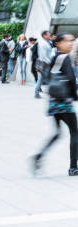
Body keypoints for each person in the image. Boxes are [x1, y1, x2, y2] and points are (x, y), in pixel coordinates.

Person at [33, 33, 78, 176]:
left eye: (71, 41)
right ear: (58, 43)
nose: (70, 44)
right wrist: (75, 96)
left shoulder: (55, 57)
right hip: (63, 103)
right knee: (75, 132)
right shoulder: (65, 58)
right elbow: (71, 79)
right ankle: (73, 167)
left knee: (58, 133)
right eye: (67, 41)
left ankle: (38, 156)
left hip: (53, 101)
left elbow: (49, 77)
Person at [35, 30, 52, 98]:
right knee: (48, 78)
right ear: (44, 35)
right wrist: (49, 62)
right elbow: (43, 55)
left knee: (42, 79)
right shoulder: (43, 43)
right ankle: (38, 93)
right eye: (48, 34)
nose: (49, 35)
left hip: (45, 63)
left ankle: (37, 93)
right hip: (45, 64)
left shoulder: (46, 42)